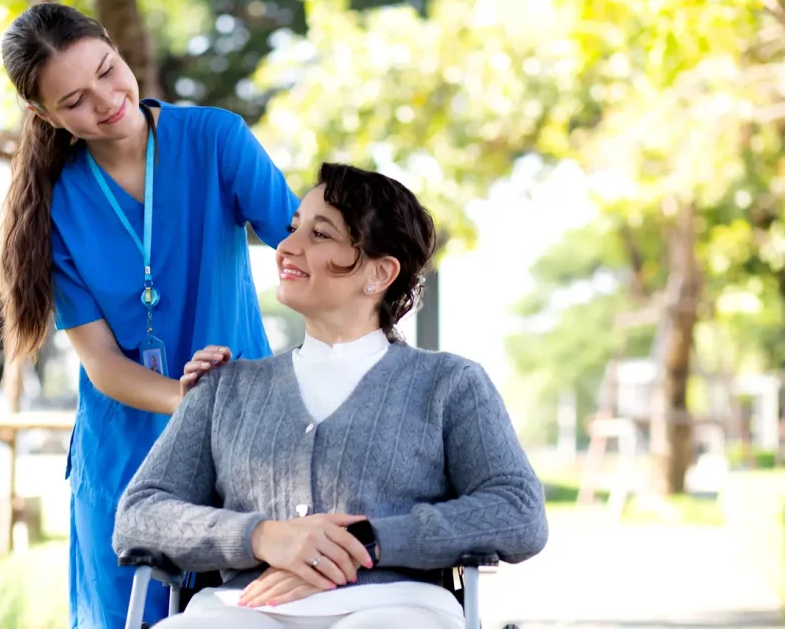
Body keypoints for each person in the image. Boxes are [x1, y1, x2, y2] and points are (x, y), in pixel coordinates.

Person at [114, 163, 549, 629]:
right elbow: (139, 514)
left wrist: (366, 541)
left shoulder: (449, 384)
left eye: (319, 235)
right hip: (242, 609)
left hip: (396, 609)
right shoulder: (223, 388)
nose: (286, 248)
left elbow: (519, 511)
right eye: (293, 228)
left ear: (380, 273)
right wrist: (263, 537)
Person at [0, 2, 299, 629]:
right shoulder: (53, 205)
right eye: (75, 100)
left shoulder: (215, 139)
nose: (107, 100)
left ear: (114, 45)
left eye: (108, 70)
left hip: (239, 449)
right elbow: (102, 363)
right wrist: (186, 397)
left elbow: (303, 249)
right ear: (43, 116)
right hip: (124, 462)